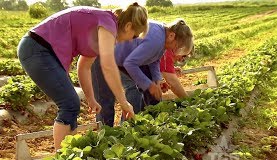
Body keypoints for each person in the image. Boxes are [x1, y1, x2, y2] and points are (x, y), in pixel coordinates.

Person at [17, 3, 148, 150]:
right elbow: (108, 65)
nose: (132, 40)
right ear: (128, 26)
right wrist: (124, 102)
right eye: (135, 35)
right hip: (38, 49)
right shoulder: (108, 23)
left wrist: (91, 98)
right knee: (69, 104)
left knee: (71, 105)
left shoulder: (102, 24)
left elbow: (84, 66)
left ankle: (67, 156)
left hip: (40, 50)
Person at [92, 19, 194, 127]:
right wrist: (150, 85)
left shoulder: (163, 38)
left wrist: (156, 81)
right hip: (100, 53)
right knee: (106, 100)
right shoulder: (156, 39)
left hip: (120, 58)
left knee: (152, 92)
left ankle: (152, 126)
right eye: (177, 47)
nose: (175, 50)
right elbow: (130, 63)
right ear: (172, 36)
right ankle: (105, 136)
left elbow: (154, 60)